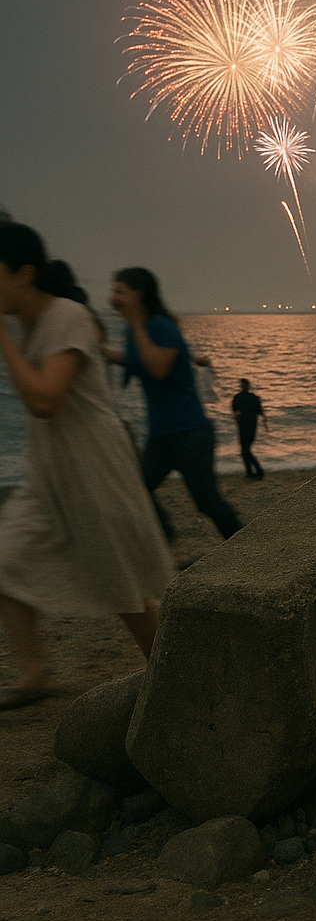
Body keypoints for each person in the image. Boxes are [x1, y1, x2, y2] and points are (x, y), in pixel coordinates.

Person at [0, 223, 173, 709]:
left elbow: (45, 400)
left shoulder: (69, 316)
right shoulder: (22, 325)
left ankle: (171, 677)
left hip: (95, 470)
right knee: (4, 560)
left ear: (23, 273)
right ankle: (33, 672)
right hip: (49, 473)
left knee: (127, 592)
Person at [104, 268, 241, 541]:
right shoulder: (134, 330)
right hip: (162, 436)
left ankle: (247, 548)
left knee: (207, 502)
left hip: (190, 433)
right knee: (138, 490)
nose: (113, 297)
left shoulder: (160, 327)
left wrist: (137, 325)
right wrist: (95, 349)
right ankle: (165, 537)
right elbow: (134, 361)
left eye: (120, 291)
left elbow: (157, 368)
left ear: (139, 294)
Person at [231, 378, 268, 479]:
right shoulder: (254, 398)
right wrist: (266, 426)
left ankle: (254, 471)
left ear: (241, 386)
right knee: (247, 449)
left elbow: (235, 412)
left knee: (244, 450)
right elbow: (262, 413)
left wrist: (238, 421)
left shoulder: (238, 397)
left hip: (243, 426)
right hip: (252, 426)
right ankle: (254, 471)